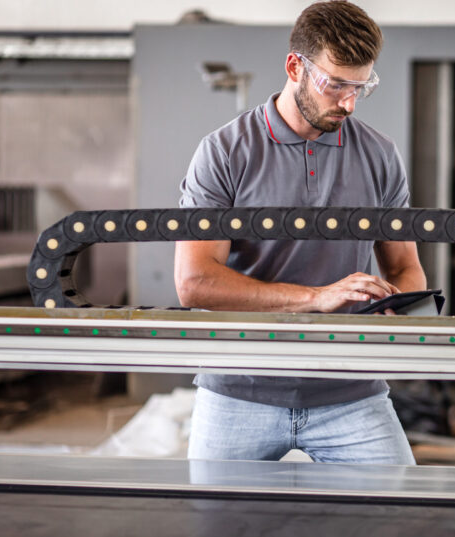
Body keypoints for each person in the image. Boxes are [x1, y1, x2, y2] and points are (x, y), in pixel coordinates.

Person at [175, 0, 425, 465]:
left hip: (350, 391)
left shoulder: (381, 155)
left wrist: (395, 308)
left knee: (400, 512)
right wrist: (316, 298)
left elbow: (406, 268)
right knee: (213, 522)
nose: (348, 103)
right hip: (239, 391)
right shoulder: (224, 152)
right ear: (295, 66)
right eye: (335, 85)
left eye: (360, 87)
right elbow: (194, 283)